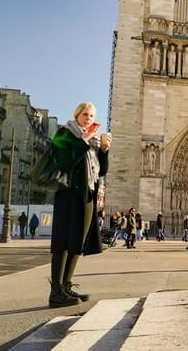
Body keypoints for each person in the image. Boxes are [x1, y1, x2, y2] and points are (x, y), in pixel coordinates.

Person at [47, 101, 111, 307]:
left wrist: (103, 151)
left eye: (92, 116)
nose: (89, 119)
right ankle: (55, 292)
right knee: (62, 242)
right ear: (76, 116)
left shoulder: (90, 141)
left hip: (87, 194)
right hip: (68, 194)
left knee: (76, 242)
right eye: (85, 114)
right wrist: (82, 142)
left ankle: (66, 286)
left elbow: (100, 171)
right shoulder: (64, 134)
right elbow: (63, 161)